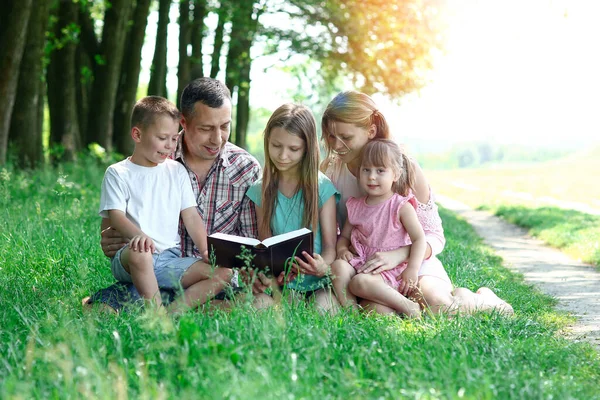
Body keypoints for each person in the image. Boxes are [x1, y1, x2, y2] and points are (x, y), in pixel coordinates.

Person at [322, 91, 513, 315]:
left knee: (440, 306)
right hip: (368, 266)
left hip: (415, 261)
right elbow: (334, 232)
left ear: (371, 131)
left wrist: (400, 255)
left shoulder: (405, 168)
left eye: (346, 137)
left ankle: (480, 299)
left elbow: (434, 235)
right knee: (379, 314)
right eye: (331, 137)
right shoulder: (332, 172)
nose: (336, 145)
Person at [84, 77, 262, 312]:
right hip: (148, 272)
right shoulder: (154, 154)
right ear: (184, 124)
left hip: (201, 279)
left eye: (224, 126)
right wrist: (114, 238)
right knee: (100, 312)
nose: (217, 139)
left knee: (254, 304)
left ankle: (174, 312)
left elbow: (250, 242)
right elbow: (111, 229)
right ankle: (157, 308)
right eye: (206, 128)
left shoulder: (246, 169)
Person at [99, 96, 227, 311]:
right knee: (141, 254)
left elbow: (191, 216)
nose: (169, 146)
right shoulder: (118, 173)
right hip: (131, 256)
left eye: (174, 139)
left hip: (170, 258)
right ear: (137, 134)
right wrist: (138, 236)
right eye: (162, 138)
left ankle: (174, 312)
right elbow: (115, 215)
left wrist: (206, 250)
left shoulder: (176, 171)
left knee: (224, 273)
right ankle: (156, 316)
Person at [245, 103, 339, 310]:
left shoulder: (322, 188)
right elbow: (264, 243)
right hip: (281, 283)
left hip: (318, 282)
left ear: (307, 149)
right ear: (267, 141)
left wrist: (323, 266)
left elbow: (331, 248)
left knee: (323, 311)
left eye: (293, 149)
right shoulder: (260, 190)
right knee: (260, 307)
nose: (282, 156)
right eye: (276, 146)